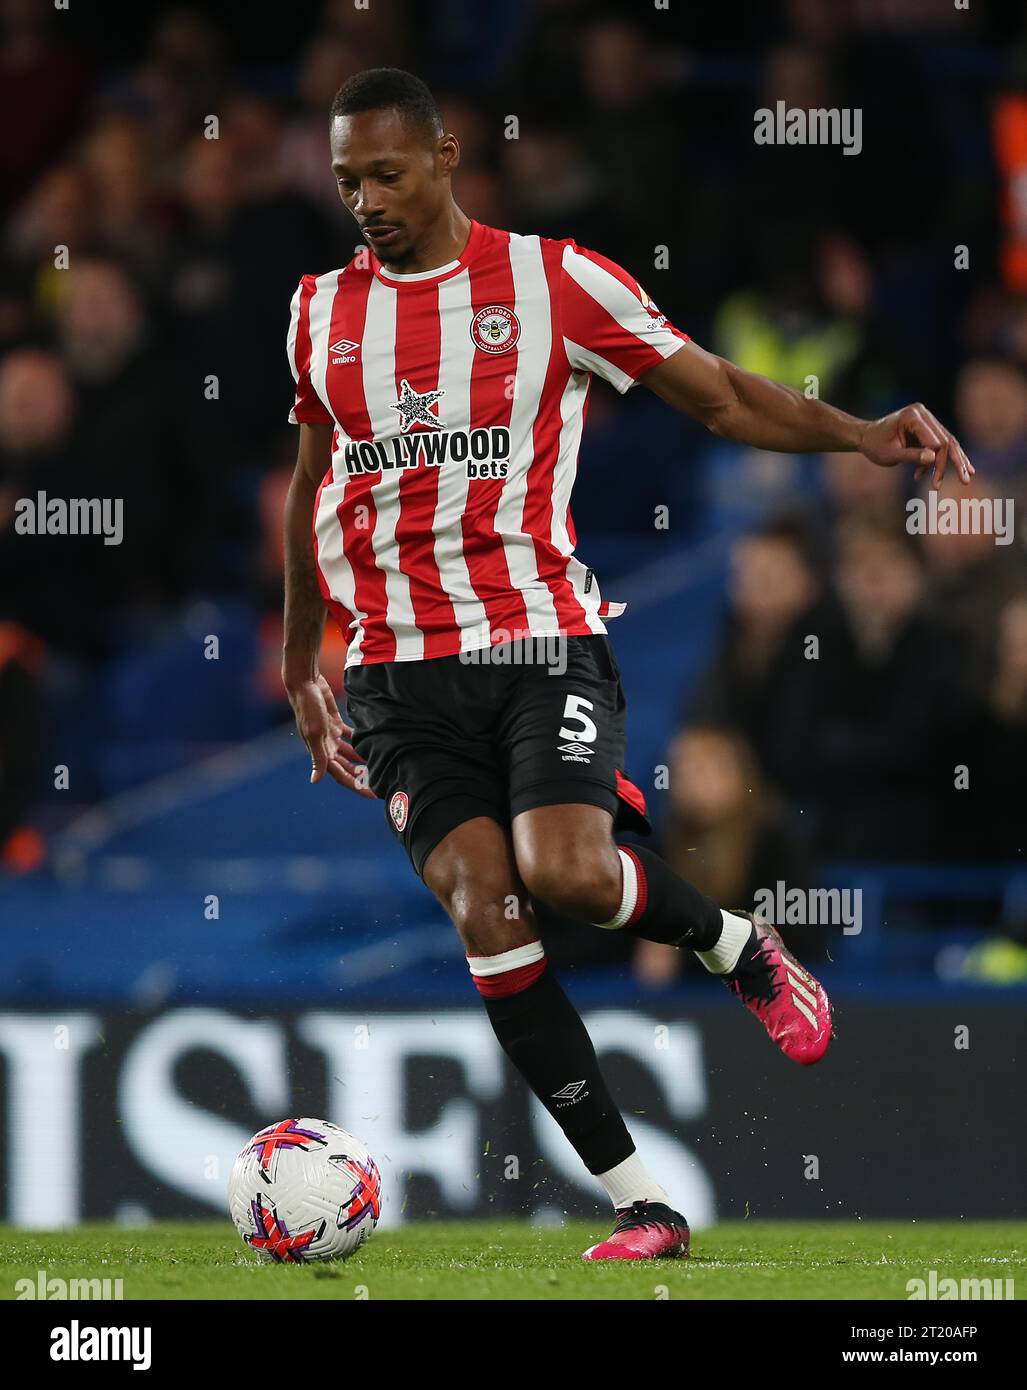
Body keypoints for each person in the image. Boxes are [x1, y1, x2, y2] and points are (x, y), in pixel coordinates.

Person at [280, 68, 974, 1262]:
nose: (367, 201)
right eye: (348, 180)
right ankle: (642, 1200)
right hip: (398, 674)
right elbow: (309, 486)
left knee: (572, 877)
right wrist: (305, 661)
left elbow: (717, 396)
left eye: (387, 172)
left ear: (447, 158)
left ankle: (737, 946)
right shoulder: (316, 312)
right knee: (487, 913)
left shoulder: (555, 283)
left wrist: (860, 433)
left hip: (540, 639)